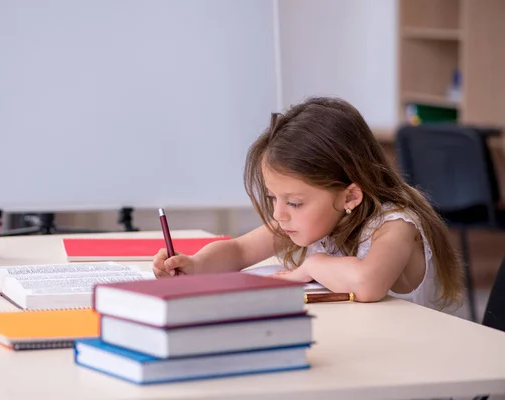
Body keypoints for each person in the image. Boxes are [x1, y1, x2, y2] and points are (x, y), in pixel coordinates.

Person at [153, 96, 464, 312]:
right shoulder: (306, 218)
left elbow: (367, 284)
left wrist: (311, 266)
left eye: (295, 202)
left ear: (350, 197)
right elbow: (241, 251)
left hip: (409, 374)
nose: (279, 214)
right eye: (274, 198)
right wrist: (195, 265)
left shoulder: (395, 226)